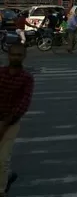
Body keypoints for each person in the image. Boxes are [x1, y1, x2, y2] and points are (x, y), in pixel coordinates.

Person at [0, 43, 34, 195]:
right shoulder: (1, 73)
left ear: (24, 57)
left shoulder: (26, 78)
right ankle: (7, 177)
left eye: (19, 55)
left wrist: (6, 124)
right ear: (8, 55)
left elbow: (23, 104)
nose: (15, 57)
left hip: (11, 122)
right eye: (13, 54)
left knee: (2, 159)